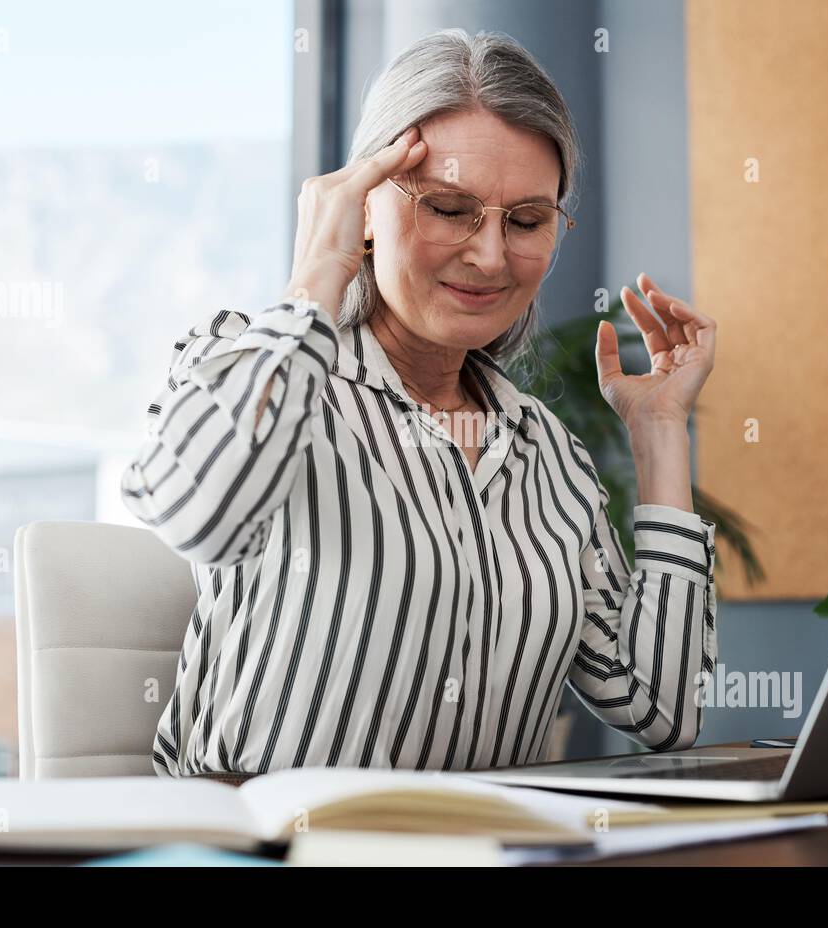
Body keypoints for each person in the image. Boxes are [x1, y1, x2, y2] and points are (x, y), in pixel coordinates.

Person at [120, 28, 719, 777]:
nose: (490, 255)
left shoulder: (549, 458)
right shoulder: (254, 366)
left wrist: (660, 431)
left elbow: (663, 714)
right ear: (364, 205)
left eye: (527, 221)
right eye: (448, 207)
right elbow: (197, 514)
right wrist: (316, 276)